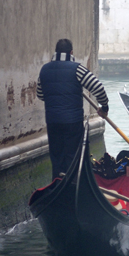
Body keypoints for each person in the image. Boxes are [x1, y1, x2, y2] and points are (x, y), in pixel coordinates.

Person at [37, 38, 109, 179]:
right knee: (73, 157)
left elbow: (40, 95)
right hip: (72, 122)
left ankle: (57, 184)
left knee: (57, 158)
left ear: (56, 52)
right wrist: (104, 107)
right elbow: (99, 88)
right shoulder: (77, 69)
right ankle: (73, 185)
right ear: (71, 52)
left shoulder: (44, 70)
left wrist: (55, 97)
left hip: (53, 121)